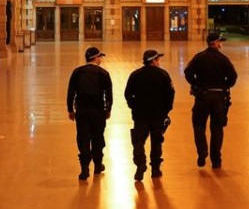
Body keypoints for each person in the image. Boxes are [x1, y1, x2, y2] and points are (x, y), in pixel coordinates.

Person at [184, 31, 238, 169]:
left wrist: (196, 84)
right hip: (219, 98)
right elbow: (233, 77)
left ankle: (202, 152)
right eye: (220, 42)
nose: (221, 44)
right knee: (217, 128)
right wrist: (224, 86)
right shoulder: (223, 59)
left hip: (202, 96)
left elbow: (188, 72)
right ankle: (216, 160)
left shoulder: (199, 57)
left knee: (198, 125)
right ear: (214, 43)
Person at [124, 49, 175, 181]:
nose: (159, 62)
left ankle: (140, 164)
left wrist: (133, 106)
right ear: (153, 60)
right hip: (158, 114)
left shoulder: (135, 75)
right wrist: (166, 110)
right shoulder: (163, 75)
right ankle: (155, 169)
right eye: (158, 59)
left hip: (140, 114)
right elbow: (170, 93)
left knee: (138, 141)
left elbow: (128, 93)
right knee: (156, 141)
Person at [67, 46, 113, 180]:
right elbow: (109, 95)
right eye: (100, 57)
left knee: (83, 138)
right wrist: (108, 110)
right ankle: (98, 165)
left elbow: (71, 92)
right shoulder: (103, 74)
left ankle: (84, 168)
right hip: (98, 111)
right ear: (95, 58)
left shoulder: (77, 72)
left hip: (82, 111)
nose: (101, 59)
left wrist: (70, 109)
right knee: (98, 137)